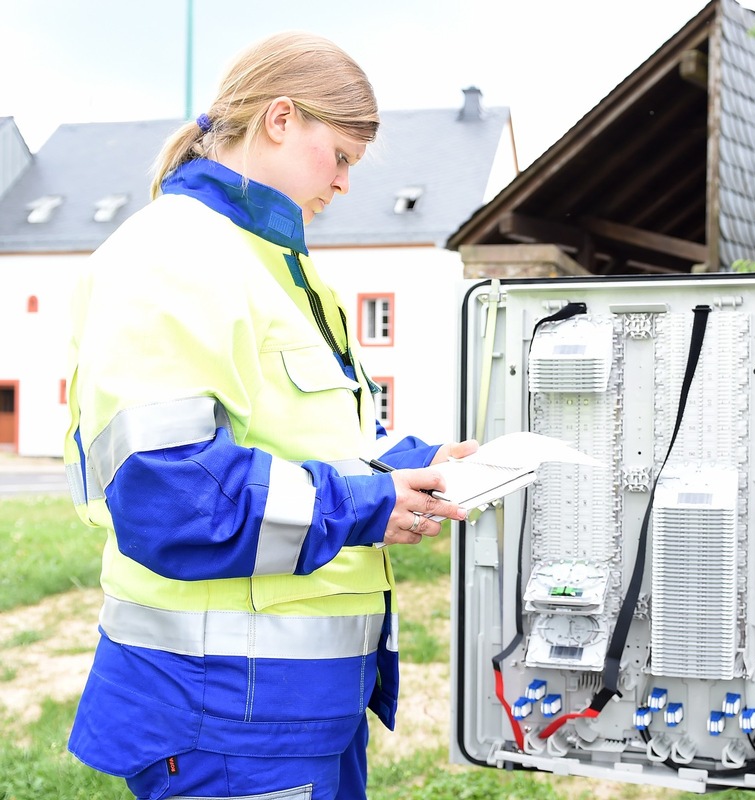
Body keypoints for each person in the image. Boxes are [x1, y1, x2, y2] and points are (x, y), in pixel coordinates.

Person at [62, 31, 475, 800]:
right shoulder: (173, 256)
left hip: (292, 710)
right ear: (280, 119)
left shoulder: (272, 265)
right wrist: (369, 504)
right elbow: (173, 493)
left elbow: (301, 443)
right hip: (225, 715)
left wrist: (418, 463)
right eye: (343, 156)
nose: (346, 183)